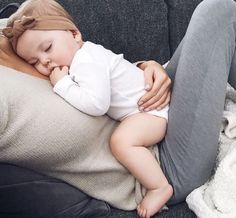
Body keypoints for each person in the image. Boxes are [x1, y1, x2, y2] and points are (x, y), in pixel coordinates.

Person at [3, 0, 236, 217]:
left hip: (149, 111)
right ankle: (159, 185)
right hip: (162, 164)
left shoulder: (74, 57)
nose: (45, 63)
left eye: (48, 49)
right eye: (35, 62)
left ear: (75, 34)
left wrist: (146, 68)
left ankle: (159, 187)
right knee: (218, 13)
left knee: (218, 14)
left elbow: (99, 97)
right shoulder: (49, 54)